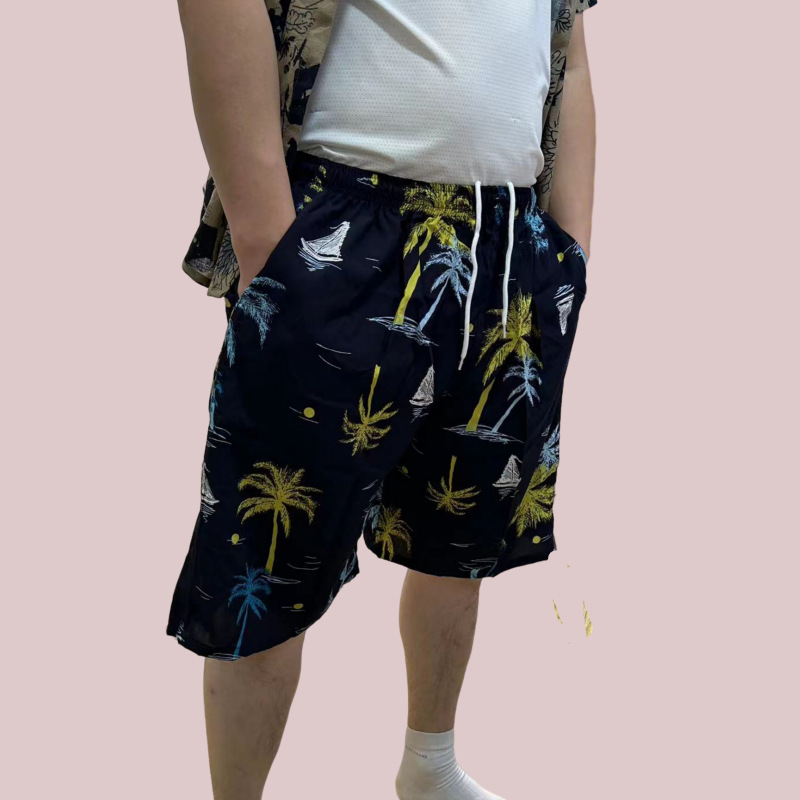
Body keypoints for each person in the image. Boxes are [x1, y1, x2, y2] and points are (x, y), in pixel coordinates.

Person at [167, 1, 598, 798]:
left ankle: (429, 768)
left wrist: (569, 248)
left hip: (510, 240)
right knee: (269, 555)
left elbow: (567, 50)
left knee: (459, 531)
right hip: (347, 216)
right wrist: (266, 240)